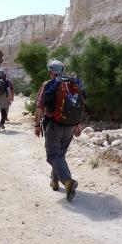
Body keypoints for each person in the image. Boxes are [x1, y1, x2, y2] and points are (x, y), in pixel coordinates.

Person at [34, 60, 84, 201]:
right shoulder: (72, 84)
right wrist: (77, 124)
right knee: (60, 155)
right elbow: (79, 104)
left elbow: (38, 108)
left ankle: (68, 181)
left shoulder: (48, 85)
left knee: (53, 156)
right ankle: (54, 182)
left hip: (53, 125)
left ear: (50, 71)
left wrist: (37, 125)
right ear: (62, 70)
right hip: (70, 125)